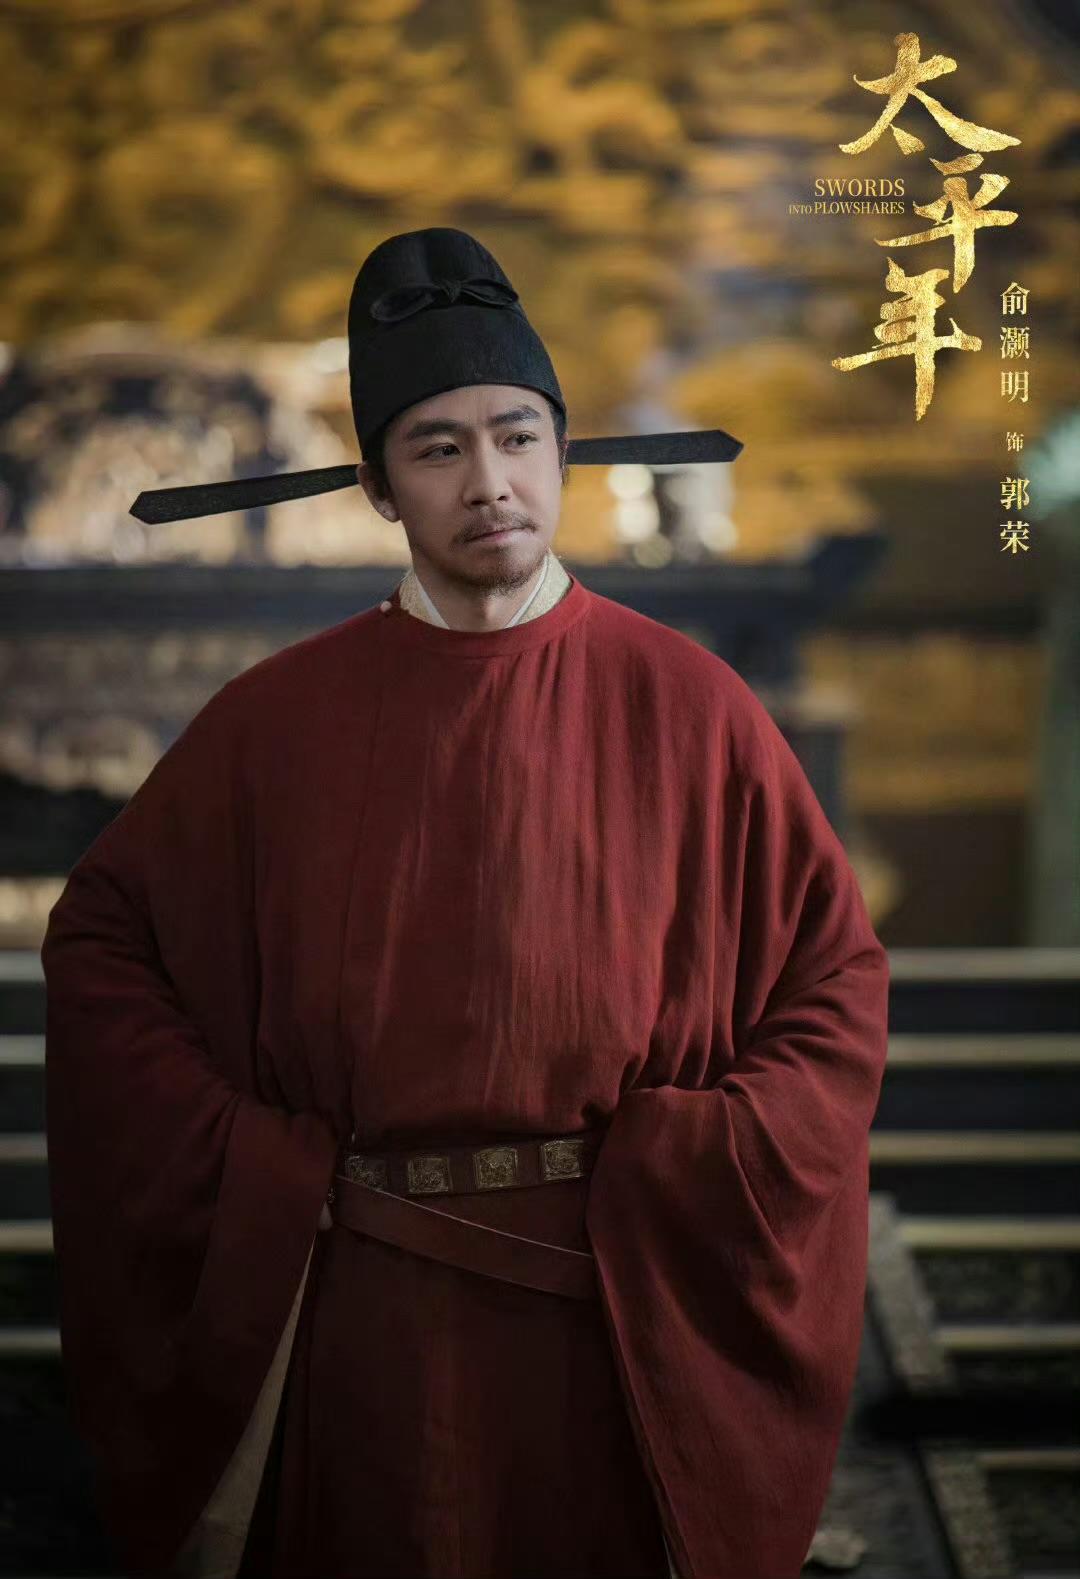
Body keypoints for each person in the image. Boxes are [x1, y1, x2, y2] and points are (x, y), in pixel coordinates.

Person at [43, 227, 890, 1579]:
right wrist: (253, 1168)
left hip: (616, 1313)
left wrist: (692, 1157)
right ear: (380, 489)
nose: (489, 483)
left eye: (517, 437)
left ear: (564, 453)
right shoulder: (274, 723)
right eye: (438, 449)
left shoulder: (693, 707)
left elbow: (832, 979)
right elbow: (101, 943)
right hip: (359, 1317)